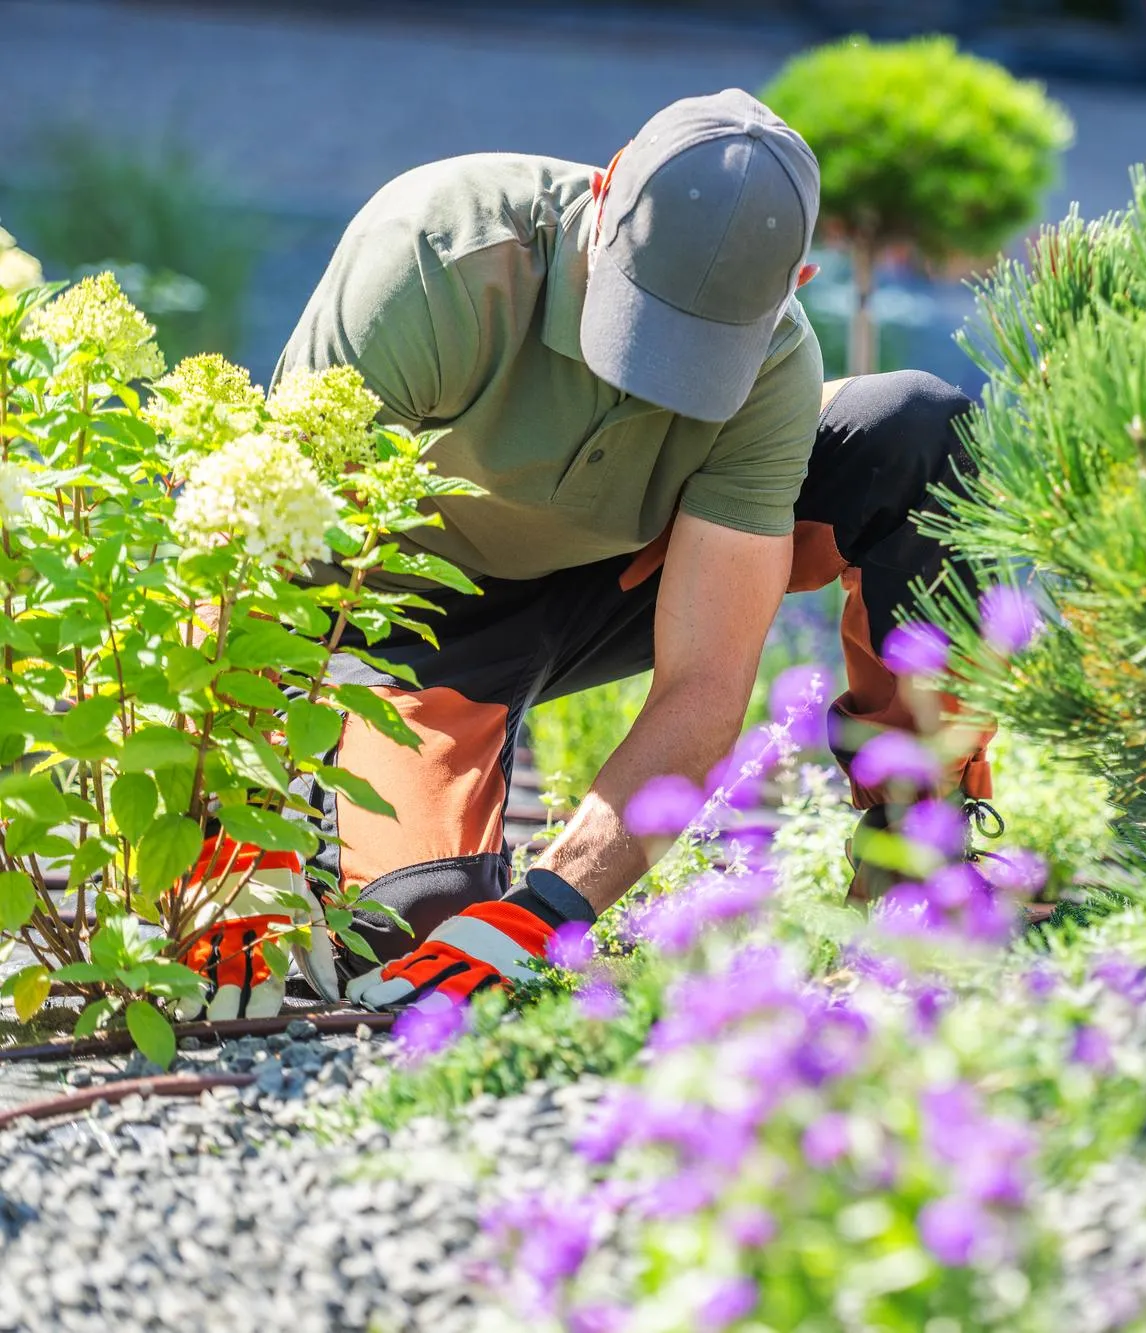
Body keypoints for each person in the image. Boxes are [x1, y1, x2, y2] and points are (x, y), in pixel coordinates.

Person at [185, 90, 994, 1018]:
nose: (652, 373)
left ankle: (914, 864)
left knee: (914, 430)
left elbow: (705, 686)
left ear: (796, 284)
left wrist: (548, 911)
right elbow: (258, 563)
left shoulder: (774, 362)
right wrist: (232, 838)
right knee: (412, 930)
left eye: (696, 351)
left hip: (634, 576)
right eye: (637, 316)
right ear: (603, 189)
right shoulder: (433, 260)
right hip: (403, 613)